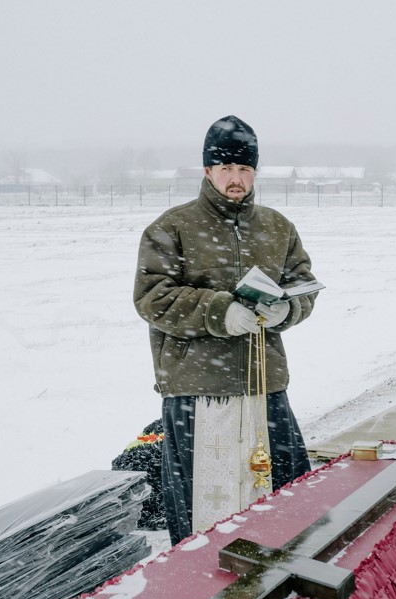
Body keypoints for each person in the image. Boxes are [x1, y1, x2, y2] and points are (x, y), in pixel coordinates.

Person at [134, 115, 318, 545]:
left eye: (245, 169)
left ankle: (280, 581)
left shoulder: (277, 227)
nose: (236, 179)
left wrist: (287, 309)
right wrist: (220, 312)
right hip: (198, 389)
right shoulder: (171, 227)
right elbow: (152, 297)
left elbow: (304, 285)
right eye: (226, 169)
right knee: (205, 508)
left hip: (264, 385)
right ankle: (203, 592)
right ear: (207, 171)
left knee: (281, 497)